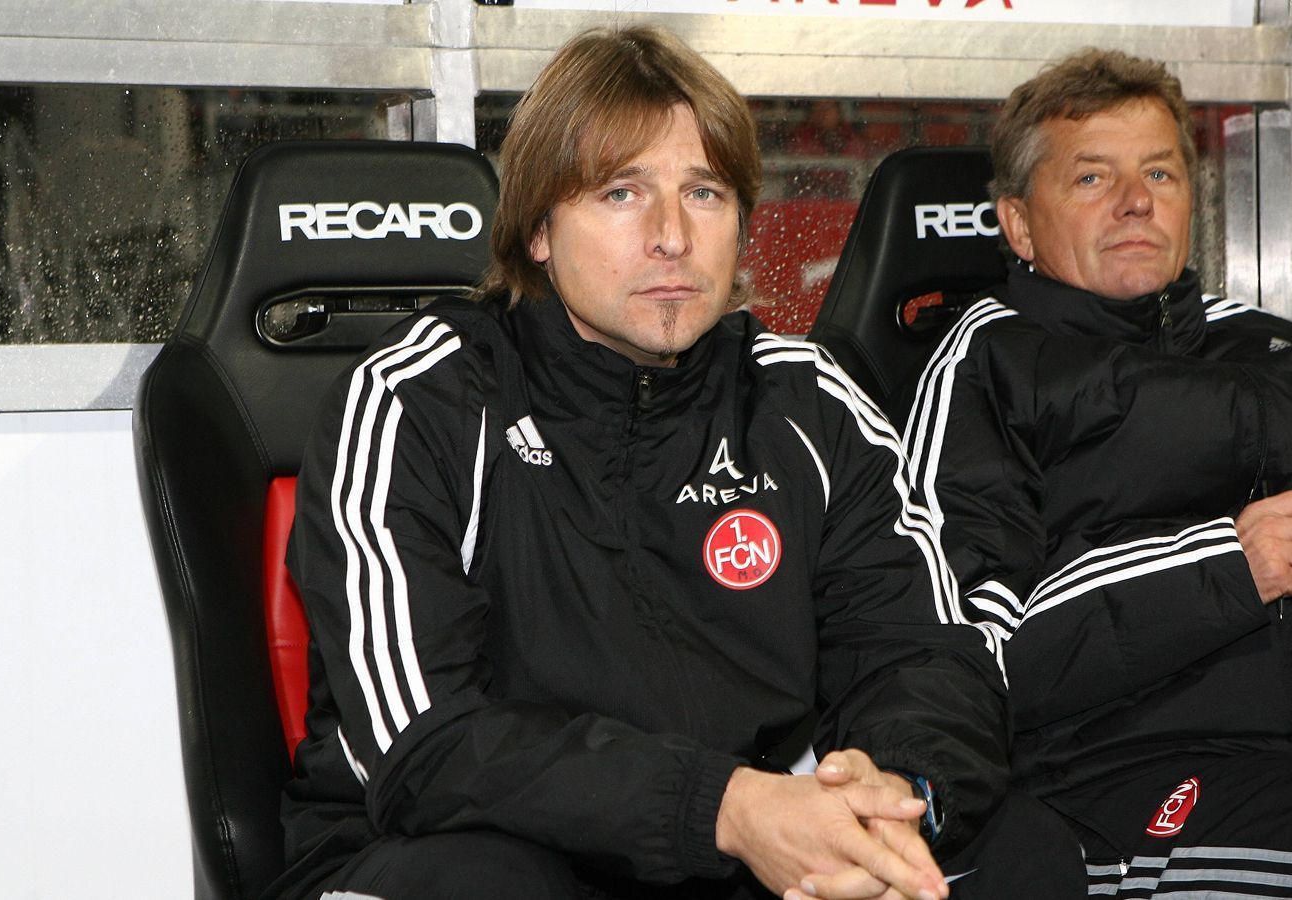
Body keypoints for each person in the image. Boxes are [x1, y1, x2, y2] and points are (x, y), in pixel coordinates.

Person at [265, 26, 1077, 900]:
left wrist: (897, 794)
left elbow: (922, 654)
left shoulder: (805, 401)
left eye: (705, 193)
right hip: (459, 847)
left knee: (1017, 852)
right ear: (538, 229)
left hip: (734, 841)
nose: (670, 237)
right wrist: (721, 807)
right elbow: (425, 747)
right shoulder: (419, 397)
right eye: (621, 193)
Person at [900, 47, 1292, 899]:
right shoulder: (989, 366)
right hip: (1126, 771)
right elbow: (966, 656)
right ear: (1018, 225)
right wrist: (1226, 567)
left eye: (1162, 175)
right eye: (1093, 178)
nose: (1138, 201)